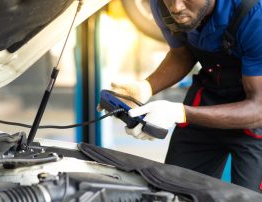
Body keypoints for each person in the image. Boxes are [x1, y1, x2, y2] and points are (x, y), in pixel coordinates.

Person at [111, 0, 262, 192]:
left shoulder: (254, 14)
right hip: (208, 97)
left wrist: (180, 113)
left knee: (250, 197)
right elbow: (182, 54)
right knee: (174, 191)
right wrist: (146, 87)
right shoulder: (161, 6)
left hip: (255, 118)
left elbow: (258, 108)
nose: (176, 7)